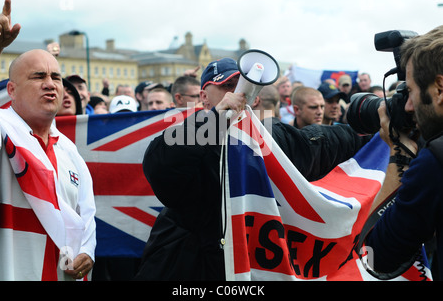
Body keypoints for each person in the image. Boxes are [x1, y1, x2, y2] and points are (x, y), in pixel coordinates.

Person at [134, 57, 370, 281]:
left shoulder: (268, 136)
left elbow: (317, 144)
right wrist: (215, 120)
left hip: (247, 264)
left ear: (255, 99)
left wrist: (372, 132)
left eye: (242, 85)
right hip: (188, 264)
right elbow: (160, 165)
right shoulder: (187, 133)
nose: (237, 92)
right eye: (227, 86)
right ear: (204, 97)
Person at [0, 0, 96, 281]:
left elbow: (85, 214)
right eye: (38, 76)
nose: (50, 84)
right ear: (11, 90)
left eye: (56, 77)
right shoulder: (0, 127)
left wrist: (88, 251)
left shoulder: (69, 149)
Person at [363, 25, 443, 280]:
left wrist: (400, 153)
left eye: (410, 91)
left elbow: (376, 257)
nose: (408, 106)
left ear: (439, 89)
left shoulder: (435, 162)